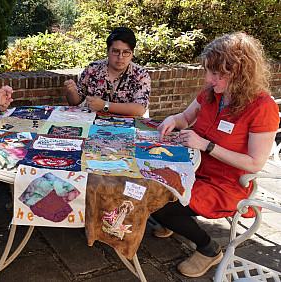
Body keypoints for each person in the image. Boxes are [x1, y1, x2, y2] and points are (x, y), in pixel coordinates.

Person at [151, 32, 280, 277]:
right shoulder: (213, 91)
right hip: (194, 167)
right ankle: (173, 220)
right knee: (150, 184)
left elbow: (256, 163)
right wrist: (171, 120)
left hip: (227, 183)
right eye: (209, 71)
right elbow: (186, 118)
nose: (209, 79)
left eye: (218, 73)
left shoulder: (263, 107)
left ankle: (209, 249)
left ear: (241, 74)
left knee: (159, 202)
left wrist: (207, 145)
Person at [64, 27, 150, 117]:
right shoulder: (92, 69)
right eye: (115, 51)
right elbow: (75, 102)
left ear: (132, 53)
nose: (120, 57)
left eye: (125, 52)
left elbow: (140, 109)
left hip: (125, 127)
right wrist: (71, 91)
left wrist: (105, 106)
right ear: (108, 51)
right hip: (91, 123)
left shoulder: (140, 74)